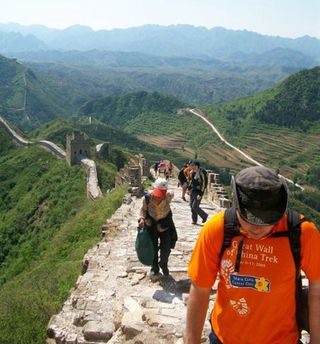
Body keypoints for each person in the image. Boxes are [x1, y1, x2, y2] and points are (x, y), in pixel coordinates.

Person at [185, 166, 320, 344]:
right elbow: (200, 289)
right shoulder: (218, 230)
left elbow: (317, 288)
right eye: (249, 218)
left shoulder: (302, 233)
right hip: (225, 339)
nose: (257, 228)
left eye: (267, 220)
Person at [138, 178, 177, 276]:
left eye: (162, 193)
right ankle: (154, 268)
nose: (159, 196)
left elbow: (172, 191)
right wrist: (142, 219)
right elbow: (142, 210)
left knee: (166, 247)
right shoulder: (147, 199)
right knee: (153, 248)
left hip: (165, 225)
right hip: (151, 225)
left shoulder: (168, 196)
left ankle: (163, 264)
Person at [187, 160, 208, 224]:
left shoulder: (202, 172)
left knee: (195, 206)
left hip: (199, 192)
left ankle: (204, 216)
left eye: (192, 165)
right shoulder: (192, 172)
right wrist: (189, 189)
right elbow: (191, 181)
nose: (191, 167)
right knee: (191, 205)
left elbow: (204, 183)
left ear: (196, 166)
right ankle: (194, 220)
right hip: (193, 191)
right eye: (190, 165)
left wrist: (200, 194)